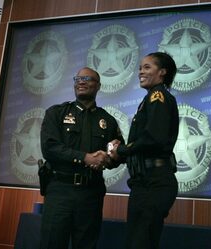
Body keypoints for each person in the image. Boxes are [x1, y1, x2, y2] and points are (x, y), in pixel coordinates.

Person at [39, 67, 124, 249]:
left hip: (91, 193)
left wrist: (110, 157)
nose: (81, 82)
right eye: (78, 79)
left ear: (98, 86)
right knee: (51, 244)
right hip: (60, 190)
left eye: (87, 78)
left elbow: (117, 155)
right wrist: (85, 158)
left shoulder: (107, 120)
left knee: (86, 245)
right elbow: (50, 148)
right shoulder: (56, 113)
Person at [109, 52, 179, 249]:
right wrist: (117, 154)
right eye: (140, 67)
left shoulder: (158, 96)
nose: (141, 71)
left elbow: (153, 138)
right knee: (137, 241)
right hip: (145, 181)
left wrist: (121, 150)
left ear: (162, 72)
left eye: (147, 67)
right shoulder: (150, 98)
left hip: (153, 183)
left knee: (140, 242)